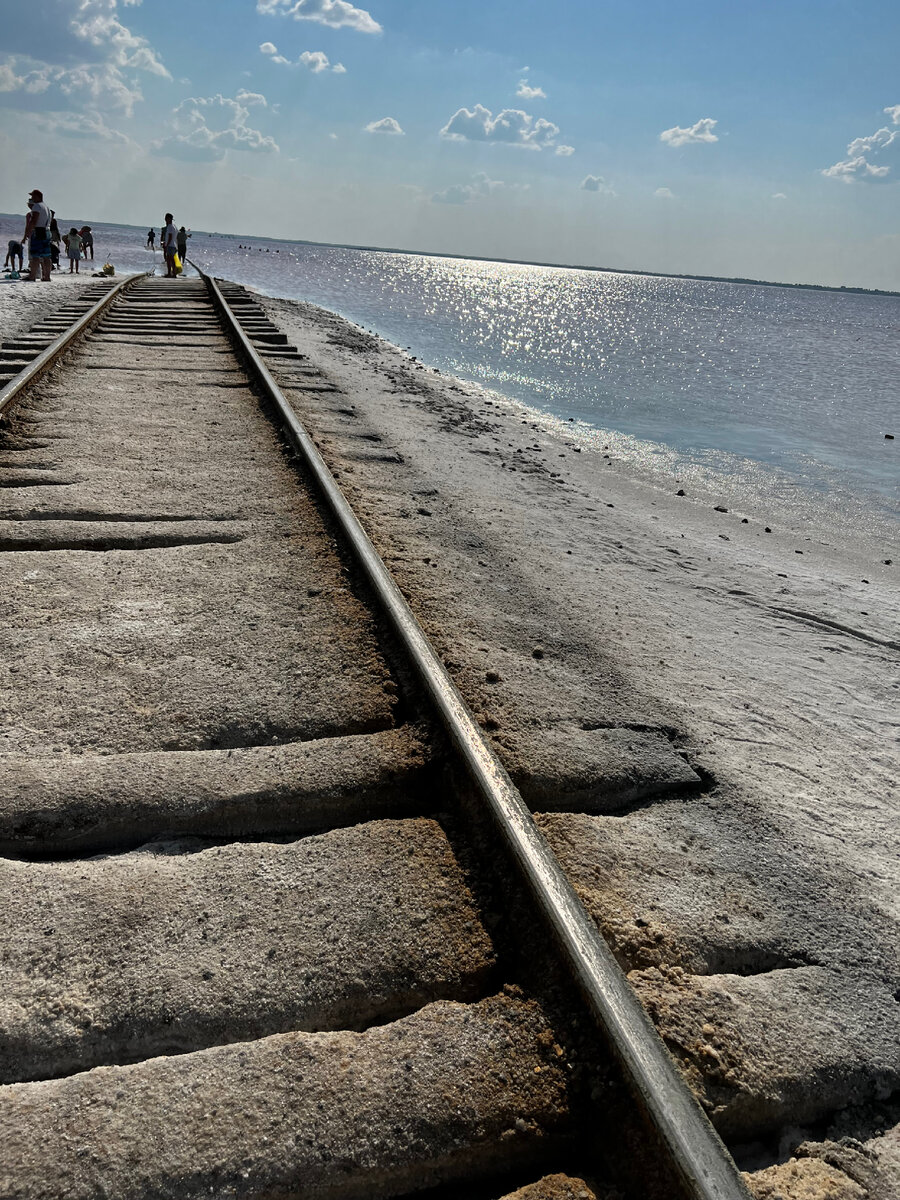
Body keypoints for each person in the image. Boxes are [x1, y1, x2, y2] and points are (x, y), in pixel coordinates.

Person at [23, 188, 52, 282]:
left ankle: (32, 276)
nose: (32, 198)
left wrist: (28, 232)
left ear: (38, 196)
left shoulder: (37, 206)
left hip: (38, 231)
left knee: (35, 255)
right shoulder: (46, 207)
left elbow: (33, 221)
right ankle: (47, 276)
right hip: (47, 231)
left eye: (33, 196)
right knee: (46, 256)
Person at [161, 212, 178, 277]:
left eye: (166, 218)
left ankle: (169, 273)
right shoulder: (174, 226)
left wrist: (166, 244)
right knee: (172, 260)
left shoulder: (170, 226)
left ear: (169, 219)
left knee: (169, 260)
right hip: (174, 245)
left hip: (170, 245)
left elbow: (170, 236)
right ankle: (174, 273)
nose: (165, 220)